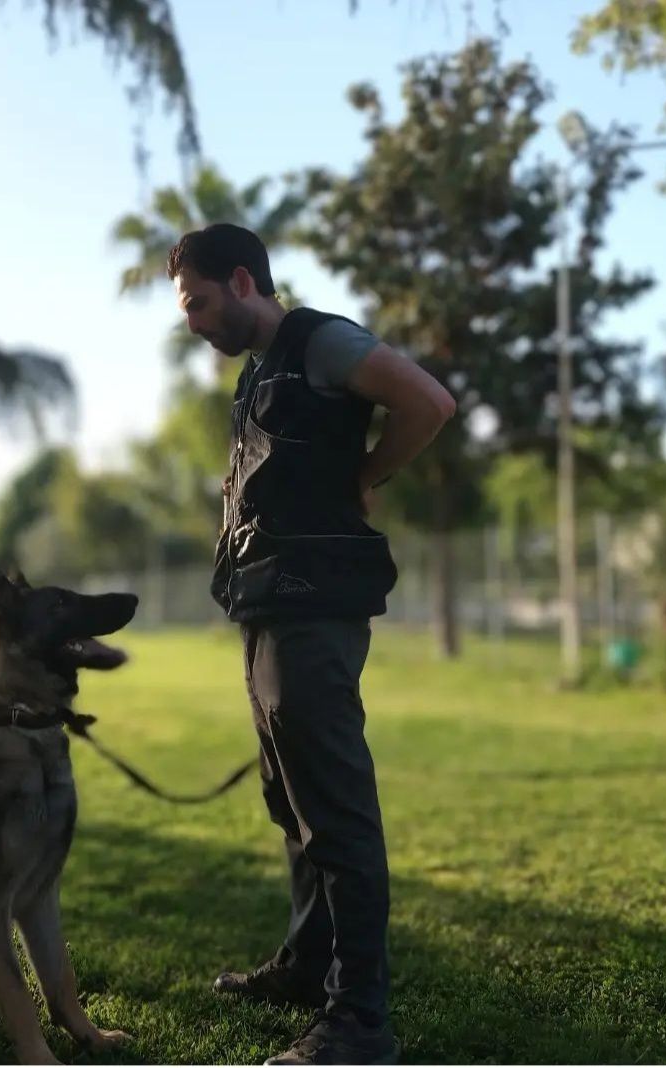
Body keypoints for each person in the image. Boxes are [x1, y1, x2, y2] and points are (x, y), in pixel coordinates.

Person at [166, 223, 455, 1066]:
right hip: (268, 606)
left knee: (336, 814)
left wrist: (366, 476)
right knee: (289, 802)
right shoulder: (260, 372)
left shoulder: (322, 341)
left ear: (245, 281)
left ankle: (358, 1021)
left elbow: (428, 403)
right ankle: (308, 964)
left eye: (199, 302)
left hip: (316, 607)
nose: (191, 321)